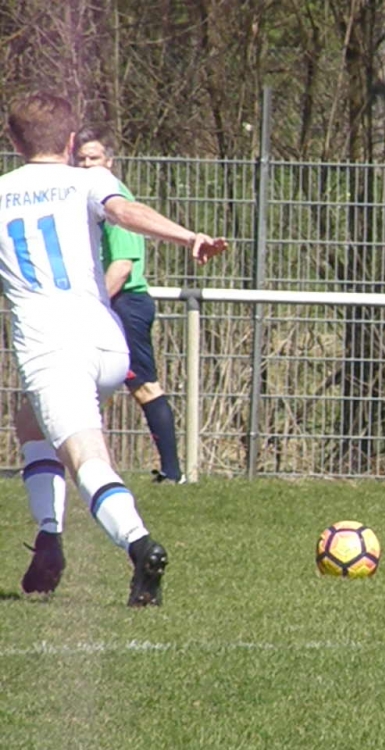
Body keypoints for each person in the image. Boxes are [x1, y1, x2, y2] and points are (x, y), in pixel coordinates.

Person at [3, 92, 227, 605]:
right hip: (107, 341)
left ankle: (140, 545)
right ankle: (48, 537)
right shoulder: (89, 179)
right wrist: (189, 237)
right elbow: (124, 211)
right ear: (69, 141)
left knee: (87, 460)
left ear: (13, 142)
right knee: (30, 421)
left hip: (52, 348)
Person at [73, 126, 184, 484]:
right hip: (108, 301)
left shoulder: (114, 200)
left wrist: (92, 307)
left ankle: (173, 473)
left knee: (144, 386)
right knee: (80, 385)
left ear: (109, 161)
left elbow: (121, 266)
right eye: (80, 159)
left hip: (125, 303)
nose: (86, 165)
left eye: (93, 158)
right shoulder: (81, 199)